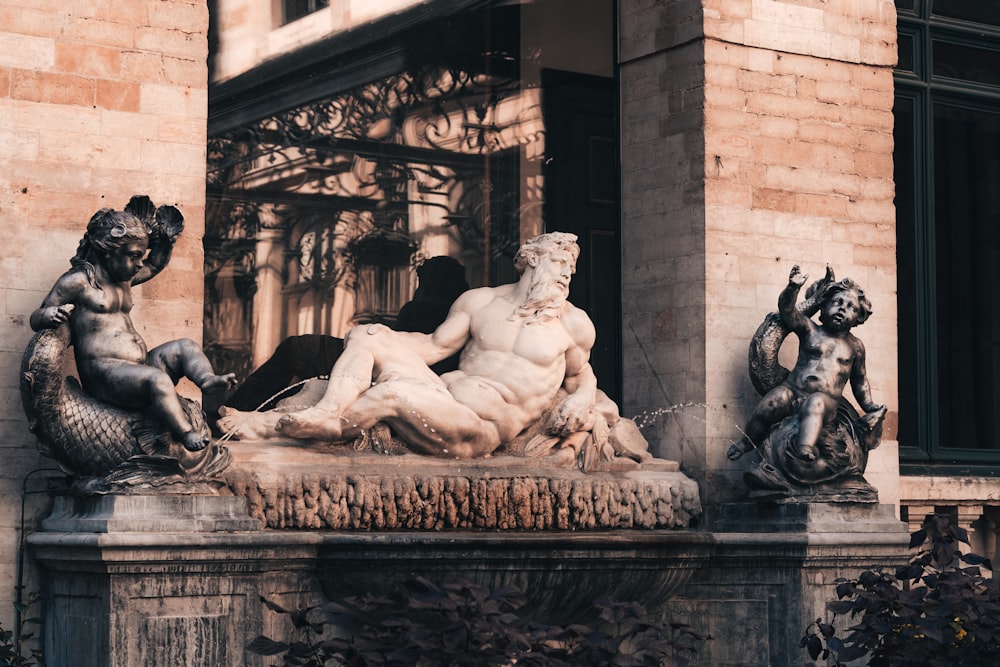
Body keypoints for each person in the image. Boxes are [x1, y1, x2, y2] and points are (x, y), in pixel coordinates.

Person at [219, 232, 599, 459]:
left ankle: (283, 427)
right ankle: (327, 411)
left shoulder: (574, 324)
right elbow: (433, 346)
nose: (567, 271)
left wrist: (583, 399)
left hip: (480, 428)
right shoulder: (480, 302)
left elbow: (582, 375)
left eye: (571, 265)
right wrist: (376, 337)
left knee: (395, 392)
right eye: (559, 261)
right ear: (530, 260)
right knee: (370, 335)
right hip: (443, 397)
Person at [30, 198, 236, 452]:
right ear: (109, 251)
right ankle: (184, 433)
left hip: (137, 368)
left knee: (185, 346)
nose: (140, 263)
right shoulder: (77, 282)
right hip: (104, 374)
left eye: (141, 256)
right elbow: (36, 316)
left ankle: (206, 380)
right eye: (134, 256)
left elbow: (154, 265)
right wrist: (51, 314)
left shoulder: (123, 279)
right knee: (157, 380)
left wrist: (167, 243)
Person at [220, 255, 469, 413]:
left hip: (377, 366)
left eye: (422, 283)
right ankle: (246, 407)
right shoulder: (449, 313)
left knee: (297, 348)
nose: (418, 289)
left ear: (430, 284)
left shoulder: (424, 309)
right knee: (297, 355)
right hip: (379, 362)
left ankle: (238, 407)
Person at [727, 265, 884, 462]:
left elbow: (860, 381)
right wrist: (793, 288)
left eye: (850, 307)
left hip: (825, 402)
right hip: (793, 390)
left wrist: (869, 404)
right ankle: (746, 442)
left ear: (858, 318)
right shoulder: (810, 330)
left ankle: (805, 447)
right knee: (772, 401)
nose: (842, 309)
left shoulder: (855, 347)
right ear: (823, 307)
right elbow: (787, 312)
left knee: (815, 402)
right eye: (837, 302)